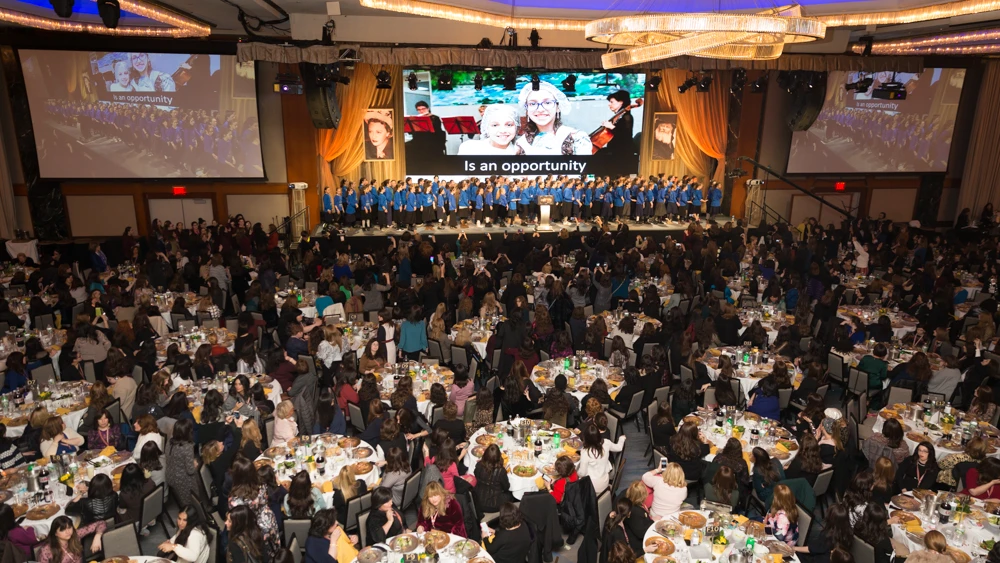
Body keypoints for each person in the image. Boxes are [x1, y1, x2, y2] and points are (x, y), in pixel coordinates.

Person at [514, 81, 591, 155]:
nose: (540, 109)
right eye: (533, 104)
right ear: (526, 110)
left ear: (558, 107)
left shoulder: (577, 138)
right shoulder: (521, 144)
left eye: (547, 103)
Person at [577, 423, 626, 494]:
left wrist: (576, 470)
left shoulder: (586, 452)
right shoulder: (606, 442)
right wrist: (622, 439)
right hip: (605, 483)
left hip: (592, 487)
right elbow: (619, 447)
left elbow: (582, 473)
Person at [37, 516, 106, 563]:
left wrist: (97, 536)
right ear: (55, 533)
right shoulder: (46, 550)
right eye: (62, 530)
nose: (68, 532)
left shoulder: (75, 535)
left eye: (69, 527)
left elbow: (101, 523)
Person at [474, 444, 512, 513]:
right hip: (494, 505)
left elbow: (476, 476)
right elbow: (506, 487)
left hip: (478, 501)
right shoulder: (501, 471)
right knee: (511, 494)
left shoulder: (479, 465)